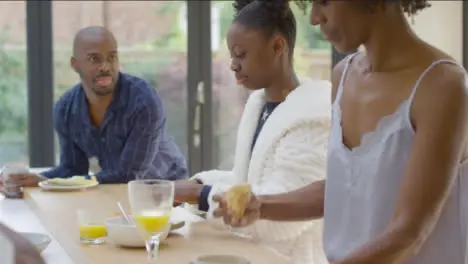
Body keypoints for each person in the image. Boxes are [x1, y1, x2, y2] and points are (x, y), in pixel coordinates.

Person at [214, 1, 468, 263]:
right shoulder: (343, 76)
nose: (314, 18)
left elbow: (408, 232)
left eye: (323, 2)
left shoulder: (443, 87)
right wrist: (262, 206)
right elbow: (344, 187)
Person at [174, 1, 330, 263]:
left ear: (278, 46)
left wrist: (198, 195)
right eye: (232, 56)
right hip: (250, 254)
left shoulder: (314, 115)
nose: (233, 65)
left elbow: (279, 213)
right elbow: (246, 180)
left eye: (241, 54)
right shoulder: (259, 105)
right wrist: (196, 184)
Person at [5, 26, 188, 186]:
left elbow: (130, 175)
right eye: (94, 59)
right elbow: (73, 169)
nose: (105, 66)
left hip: (169, 190)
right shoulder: (66, 110)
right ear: (75, 64)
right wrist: (37, 179)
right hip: (114, 192)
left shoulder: (143, 101)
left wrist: (50, 182)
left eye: (112, 57)